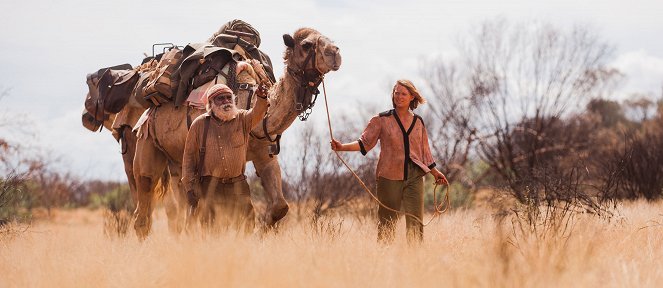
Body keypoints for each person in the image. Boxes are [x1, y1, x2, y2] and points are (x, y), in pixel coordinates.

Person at [331, 79, 448, 244]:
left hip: (415, 176)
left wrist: (436, 173)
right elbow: (363, 143)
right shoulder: (381, 120)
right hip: (389, 175)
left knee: (415, 221)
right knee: (387, 222)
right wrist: (341, 147)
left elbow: (425, 153)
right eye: (396, 93)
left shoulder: (419, 122)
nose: (399, 96)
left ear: (412, 97)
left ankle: (415, 262)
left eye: (404, 93)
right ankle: (384, 258)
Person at [182, 83, 268, 233]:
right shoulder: (199, 125)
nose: (226, 101)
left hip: (238, 186)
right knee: (212, 232)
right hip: (210, 188)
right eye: (220, 99)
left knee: (245, 229)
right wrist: (190, 189)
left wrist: (261, 97)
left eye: (229, 98)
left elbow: (258, 113)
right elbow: (188, 159)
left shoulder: (242, 119)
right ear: (210, 103)